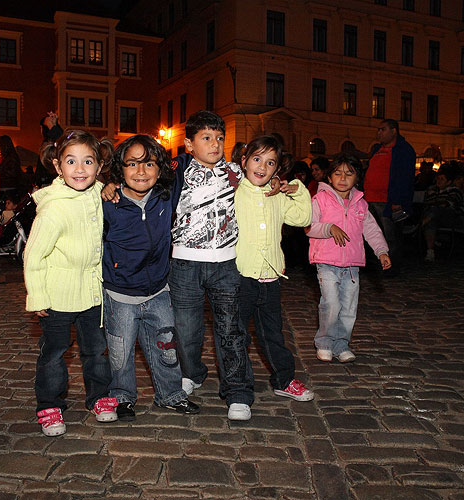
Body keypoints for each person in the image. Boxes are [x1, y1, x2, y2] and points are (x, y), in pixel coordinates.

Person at [23, 129, 117, 437]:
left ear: (99, 165)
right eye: (71, 162)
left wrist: (109, 187)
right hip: (57, 297)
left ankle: (99, 397)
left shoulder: (96, 192)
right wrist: (37, 297)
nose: (80, 169)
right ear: (57, 166)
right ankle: (49, 405)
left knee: (95, 350)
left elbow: (108, 190)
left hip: (91, 295)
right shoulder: (53, 209)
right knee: (54, 353)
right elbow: (33, 256)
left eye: (88, 161)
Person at [102, 134, 200, 421]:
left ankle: (170, 394)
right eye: (132, 164)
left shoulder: (165, 196)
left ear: (161, 169)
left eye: (149, 164)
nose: (141, 172)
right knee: (120, 354)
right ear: (120, 170)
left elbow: (185, 159)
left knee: (166, 348)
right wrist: (104, 187)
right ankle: (122, 397)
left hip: (158, 291)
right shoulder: (109, 203)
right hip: (119, 294)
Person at [166, 110, 255, 421]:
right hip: (184, 264)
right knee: (186, 329)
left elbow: (263, 181)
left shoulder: (234, 173)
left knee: (231, 330)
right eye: (206, 138)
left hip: (225, 264)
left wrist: (283, 185)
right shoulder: (176, 171)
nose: (215, 144)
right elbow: (142, 178)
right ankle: (193, 372)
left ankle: (238, 390)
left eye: (219, 138)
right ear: (190, 144)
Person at [234, 136, 314, 402]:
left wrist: (297, 189)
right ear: (244, 162)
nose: (262, 167)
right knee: (237, 335)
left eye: (270, 163)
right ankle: (238, 385)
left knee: (272, 334)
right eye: (257, 159)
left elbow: (303, 218)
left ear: (277, 169)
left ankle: (284, 379)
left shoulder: (277, 195)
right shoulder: (234, 191)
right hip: (241, 276)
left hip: (270, 278)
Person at [307, 154, 391, 362]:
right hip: (326, 262)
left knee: (349, 307)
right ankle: (325, 342)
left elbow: (371, 229)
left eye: (349, 174)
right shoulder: (319, 199)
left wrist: (382, 251)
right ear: (330, 177)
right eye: (337, 173)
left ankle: (341, 344)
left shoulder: (360, 204)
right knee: (331, 304)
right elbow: (308, 226)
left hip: (352, 265)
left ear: (357, 179)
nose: (342, 178)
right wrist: (329, 228)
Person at [364, 119, 416, 272]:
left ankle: (391, 267)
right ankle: (375, 265)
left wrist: (397, 200)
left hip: (388, 200)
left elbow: (404, 177)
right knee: (371, 234)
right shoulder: (377, 149)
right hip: (370, 199)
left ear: (394, 131)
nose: (379, 132)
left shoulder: (403, 150)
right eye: (378, 130)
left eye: (383, 129)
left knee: (391, 236)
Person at [421, 168, 464, 262]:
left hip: (451, 218)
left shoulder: (455, 191)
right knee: (431, 220)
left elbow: (447, 204)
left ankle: (421, 224)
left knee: (435, 211)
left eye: (442, 179)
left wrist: (437, 204)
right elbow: (428, 203)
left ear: (448, 182)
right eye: (438, 178)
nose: (438, 181)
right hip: (434, 218)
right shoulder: (432, 190)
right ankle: (430, 252)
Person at [0, 135, 23, 202]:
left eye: (0, 146)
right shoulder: (3, 158)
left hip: (9, 190)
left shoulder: (12, 157)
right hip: (3, 189)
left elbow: (11, 173)